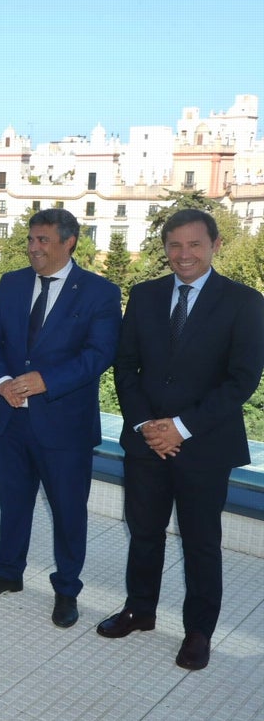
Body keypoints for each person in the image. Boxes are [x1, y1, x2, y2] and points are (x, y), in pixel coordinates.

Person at [99, 209, 264, 670]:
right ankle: (140, 609)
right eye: (174, 245)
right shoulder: (145, 295)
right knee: (144, 531)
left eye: (194, 244)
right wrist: (145, 426)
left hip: (204, 444)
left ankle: (198, 632)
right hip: (146, 441)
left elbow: (242, 380)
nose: (183, 254)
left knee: (201, 541)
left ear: (215, 246)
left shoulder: (244, 302)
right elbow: (125, 366)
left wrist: (181, 427)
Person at [0, 208, 121, 628]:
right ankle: (8, 572)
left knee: (68, 512)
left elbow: (99, 354)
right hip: (12, 419)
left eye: (43, 240)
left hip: (65, 426)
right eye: (31, 239)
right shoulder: (13, 283)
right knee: (14, 503)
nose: (34, 247)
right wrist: (0, 380)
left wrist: (45, 381)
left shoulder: (99, 292)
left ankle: (67, 588)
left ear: (69, 241)